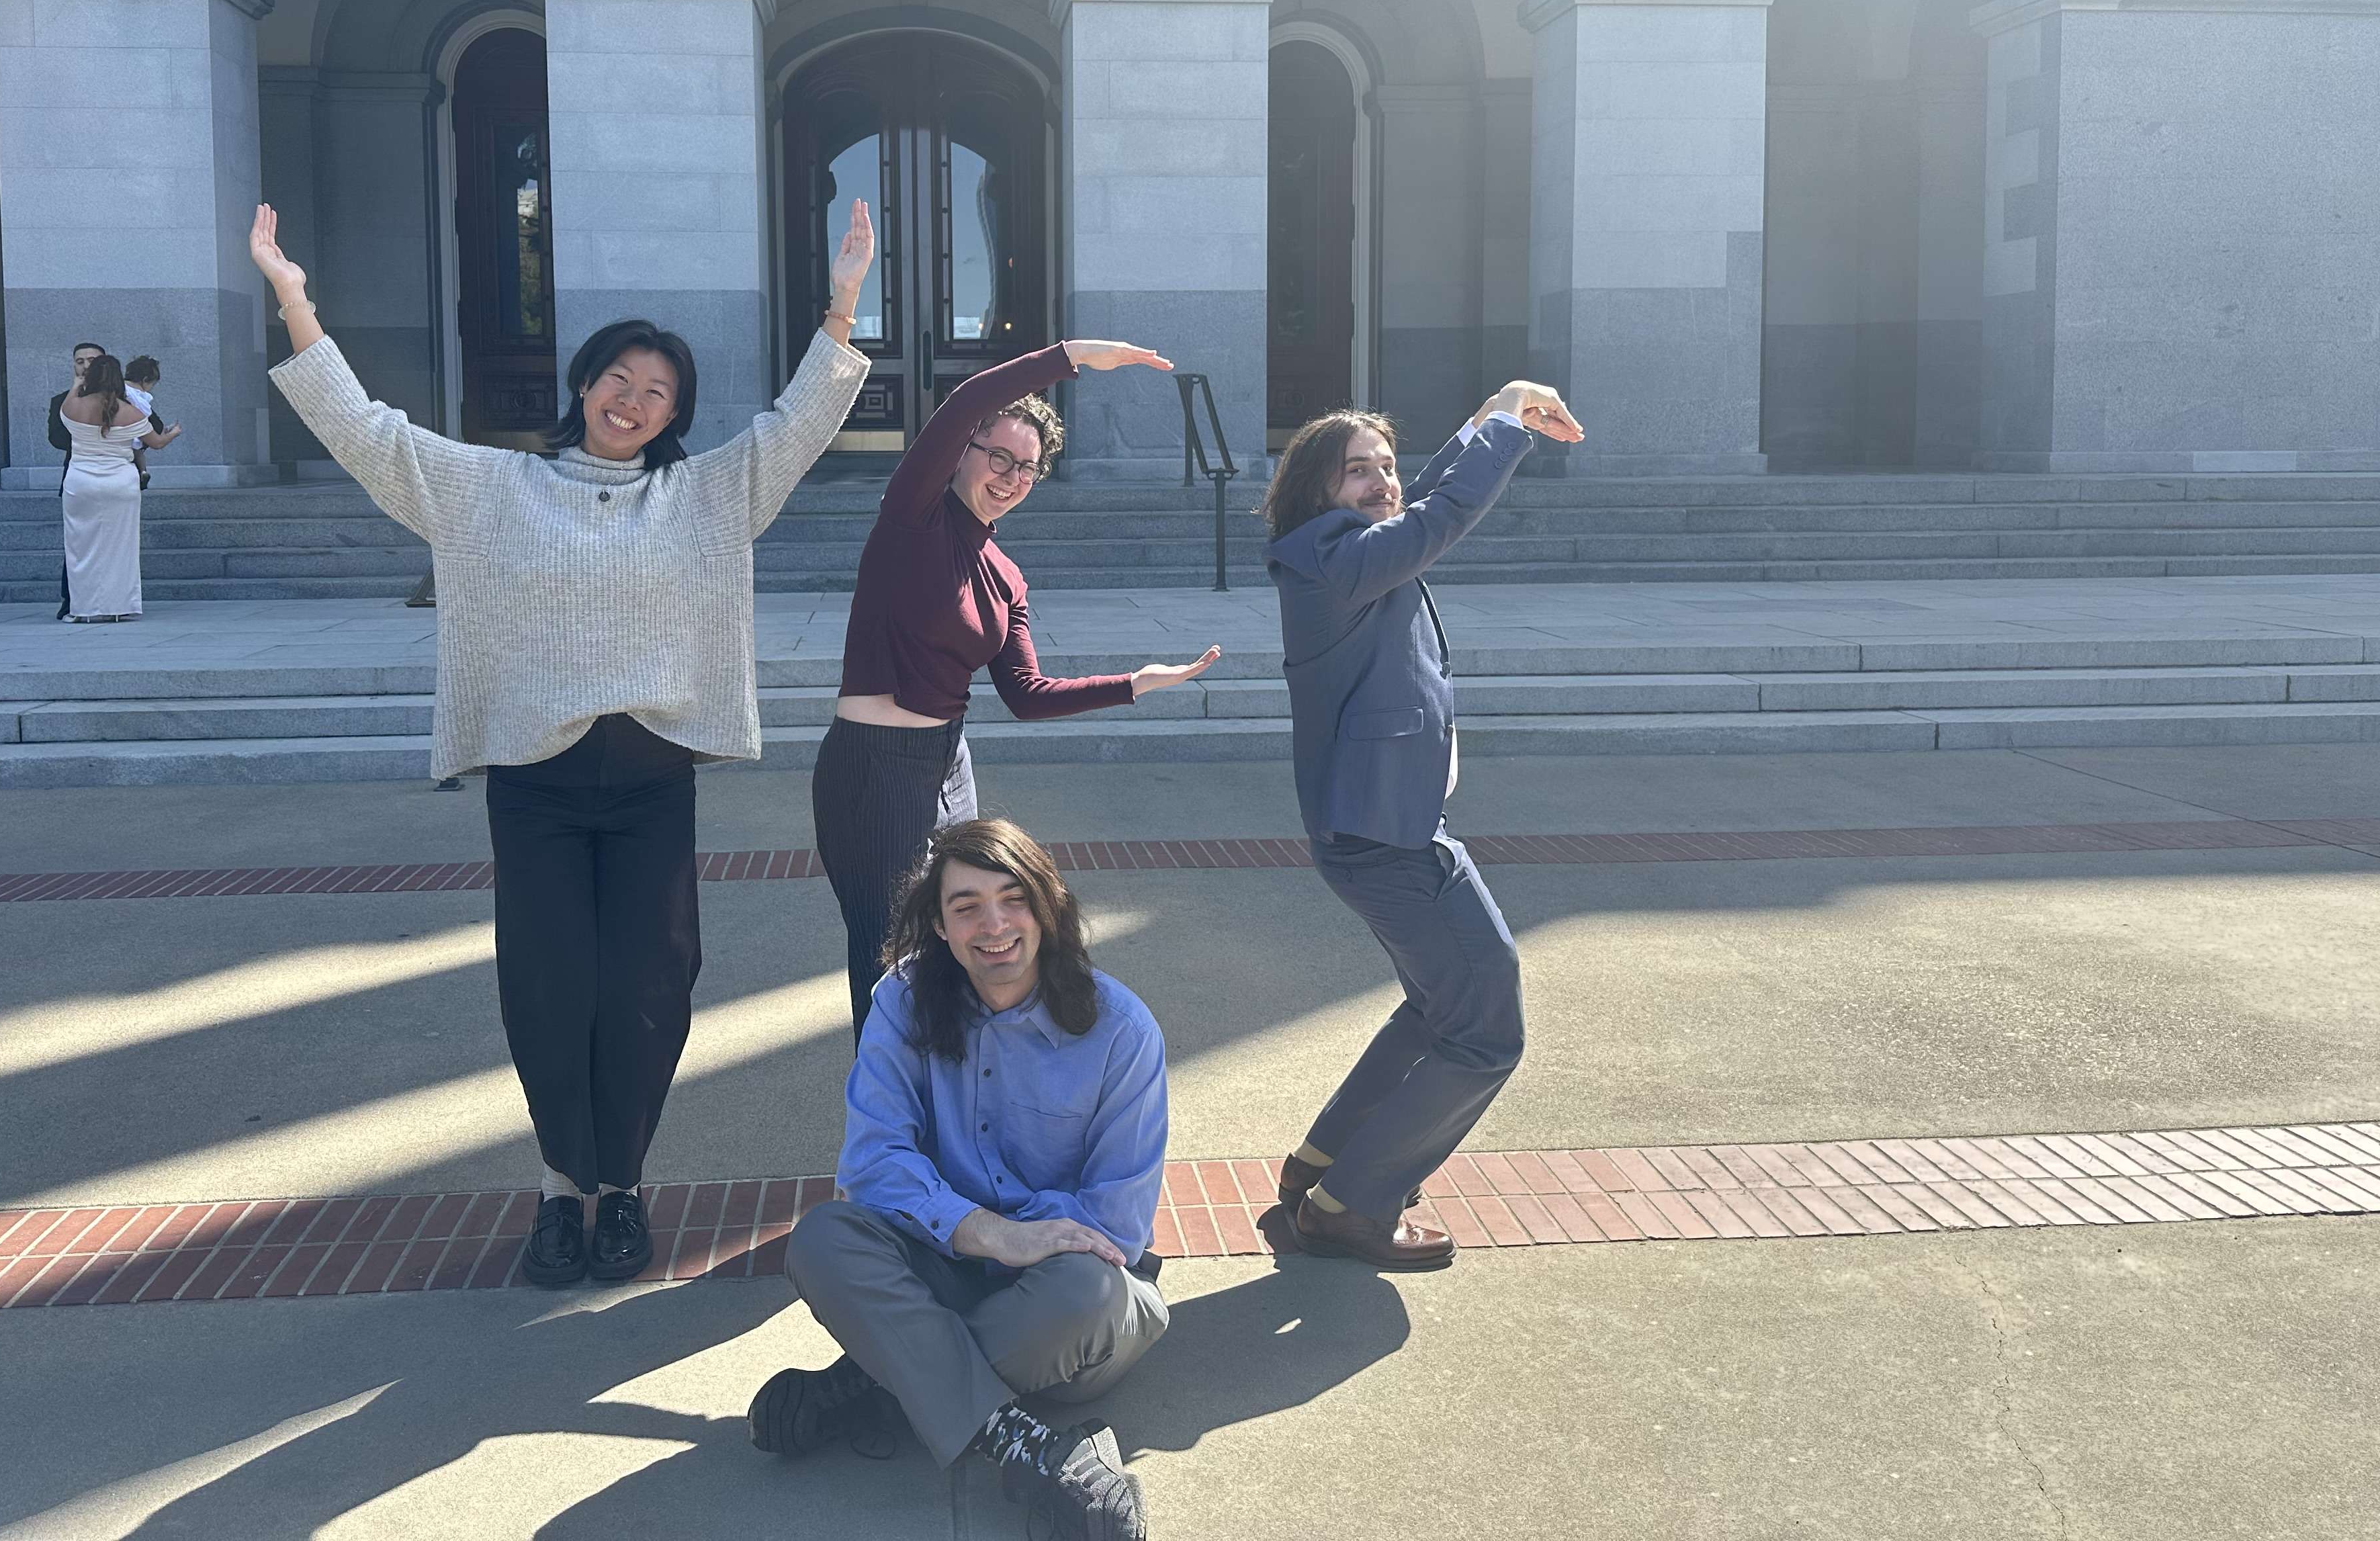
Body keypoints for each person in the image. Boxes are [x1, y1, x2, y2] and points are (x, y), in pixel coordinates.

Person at [249, 198, 874, 1290]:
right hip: (535, 781)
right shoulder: (495, 486)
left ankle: (621, 1185)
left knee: (648, 982)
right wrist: (292, 296)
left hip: (650, 779)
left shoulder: (704, 493)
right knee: (548, 985)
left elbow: (796, 424)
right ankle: (559, 1190)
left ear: (674, 411)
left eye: (658, 391)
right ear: (582, 383)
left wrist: (842, 303)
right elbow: (366, 432)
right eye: (618, 380)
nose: (633, 402)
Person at [758, 817, 1167, 1541]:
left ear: (1049, 908)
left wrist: (1027, 1237)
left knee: (1088, 1289)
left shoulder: (1122, 1032)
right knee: (822, 1238)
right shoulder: (902, 999)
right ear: (940, 927)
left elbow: (1117, 1230)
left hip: (1065, 1306)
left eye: (1013, 899)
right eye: (966, 906)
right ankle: (1025, 1447)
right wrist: (985, 1232)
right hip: (947, 1262)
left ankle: (878, 1383)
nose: (994, 925)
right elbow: (873, 1161)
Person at [1260, 380, 1583, 1269]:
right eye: (1355, 471)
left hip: (1390, 826)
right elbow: (1434, 520)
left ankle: (1324, 1169)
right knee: (1486, 1029)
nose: (1380, 481)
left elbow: (1416, 502)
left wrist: (1486, 414)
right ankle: (1349, 1209)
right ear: (1315, 491)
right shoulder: (1331, 556)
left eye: (1386, 466)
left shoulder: (1350, 545)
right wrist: (1510, 432)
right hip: (1385, 839)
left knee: (1444, 1004)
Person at [814, 343, 1221, 1035]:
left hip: (950, 765)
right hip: (874, 768)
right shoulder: (913, 518)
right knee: (891, 963)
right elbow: (969, 399)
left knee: (958, 950)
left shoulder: (1004, 572)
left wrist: (1134, 684)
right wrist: (1072, 356)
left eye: (1028, 467)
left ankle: (960, 1109)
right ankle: (888, 1124)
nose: (1010, 476)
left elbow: (1026, 693)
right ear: (963, 451)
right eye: (998, 456)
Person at [56, 353, 181, 623]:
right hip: (120, 481)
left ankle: (83, 609)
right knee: (121, 548)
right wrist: (173, 433)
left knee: (80, 547)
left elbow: (66, 415)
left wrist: (77, 382)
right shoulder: (131, 412)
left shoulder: (73, 406)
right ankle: (119, 606)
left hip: (81, 481)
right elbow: (156, 442)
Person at [48, 340, 104, 619]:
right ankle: (70, 600)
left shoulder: (122, 398)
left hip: (113, 478)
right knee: (77, 541)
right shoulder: (61, 400)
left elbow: (148, 428)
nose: (86, 366)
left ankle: (110, 599)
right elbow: (57, 439)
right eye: (80, 361)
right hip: (78, 476)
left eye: (92, 361)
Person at [122, 355, 162, 490]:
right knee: (138, 452)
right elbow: (146, 411)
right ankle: (143, 471)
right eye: (152, 384)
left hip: (122, 433)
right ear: (145, 380)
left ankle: (142, 472)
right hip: (135, 430)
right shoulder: (138, 394)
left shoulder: (118, 388)